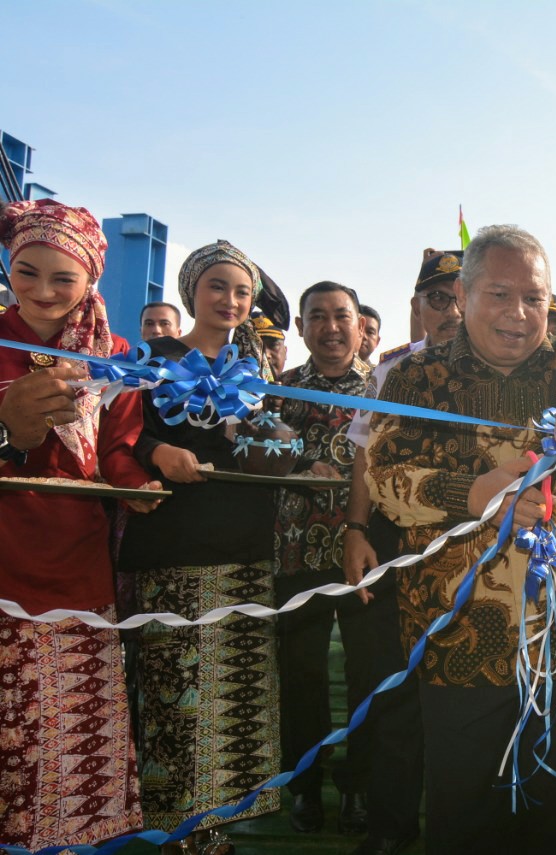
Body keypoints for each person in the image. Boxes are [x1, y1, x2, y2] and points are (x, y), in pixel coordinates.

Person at [365, 224, 556, 852]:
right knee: (467, 818)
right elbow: (384, 477)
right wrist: (477, 496)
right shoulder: (417, 378)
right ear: (462, 299)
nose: (519, 315)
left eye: (534, 298)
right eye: (499, 294)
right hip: (459, 638)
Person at [0, 199, 161, 850]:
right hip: (5, 563)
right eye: (25, 272)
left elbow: (118, 449)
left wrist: (139, 486)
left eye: (62, 278)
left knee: (71, 739)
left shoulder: (113, 355)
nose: (41, 291)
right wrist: (10, 428)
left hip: (79, 569)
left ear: (91, 279)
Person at [118, 240, 281, 852]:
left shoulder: (252, 368)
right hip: (175, 546)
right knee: (176, 693)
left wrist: (291, 455)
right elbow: (121, 434)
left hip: (243, 544)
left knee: (236, 697)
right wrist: (155, 453)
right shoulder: (154, 357)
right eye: (218, 287)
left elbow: (264, 441)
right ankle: (175, 830)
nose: (232, 301)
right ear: (192, 293)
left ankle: (218, 826)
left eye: (242, 291)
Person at [343, 249, 464, 855]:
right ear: (417, 308)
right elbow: (364, 452)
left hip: (478, 545)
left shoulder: (511, 370)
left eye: (464, 295)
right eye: (438, 298)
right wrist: (356, 530)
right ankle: (390, 826)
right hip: (397, 543)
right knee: (393, 685)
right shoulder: (392, 372)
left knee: (471, 693)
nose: (452, 310)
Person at [270, 281, 377, 836]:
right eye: (318, 316)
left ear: (360, 325)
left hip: (367, 557)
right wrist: (293, 469)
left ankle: (359, 786)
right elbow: (254, 454)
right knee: (302, 675)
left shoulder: (385, 390)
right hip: (297, 553)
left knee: (367, 673)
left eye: (342, 316)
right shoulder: (279, 391)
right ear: (301, 327)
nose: (331, 327)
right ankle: (306, 787)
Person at [252, 309, 289, 377]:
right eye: (256, 347)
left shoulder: (300, 385)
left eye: (273, 345)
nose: (266, 354)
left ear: (285, 351)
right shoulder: (229, 385)